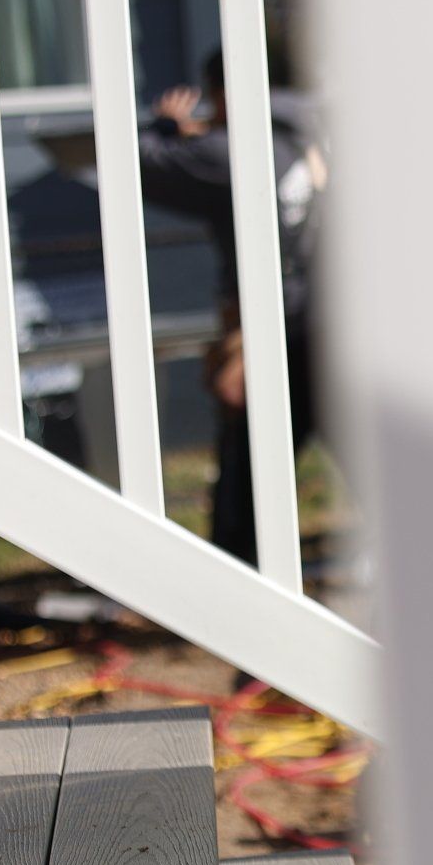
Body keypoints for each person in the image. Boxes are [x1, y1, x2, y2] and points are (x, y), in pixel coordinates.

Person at [138, 48, 325, 566]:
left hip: (265, 324)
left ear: (224, 93)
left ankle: (233, 562)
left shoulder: (228, 153)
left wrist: (167, 125)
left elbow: (146, 166)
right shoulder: (304, 133)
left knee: (249, 450)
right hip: (318, 315)